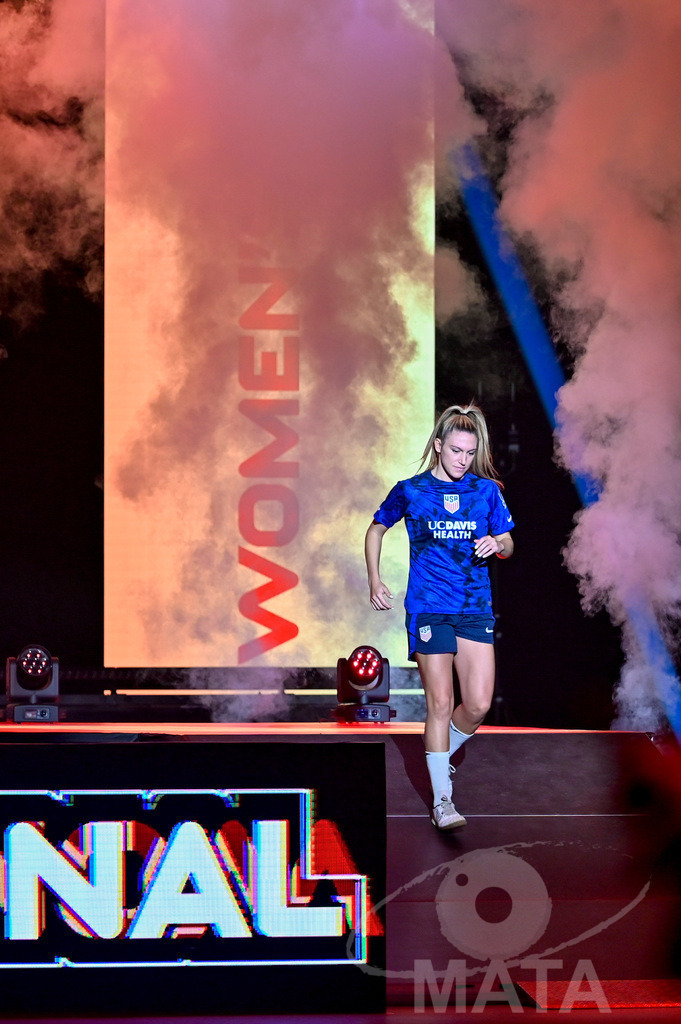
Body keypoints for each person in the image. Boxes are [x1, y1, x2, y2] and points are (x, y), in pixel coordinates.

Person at [365, 404, 514, 830]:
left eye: (469, 452)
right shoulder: (410, 490)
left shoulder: (486, 492)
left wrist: (496, 544)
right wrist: (374, 580)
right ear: (437, 446)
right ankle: (442, 802)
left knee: (480, 703)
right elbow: (376, 528)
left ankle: (439, 755)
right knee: (441, 702)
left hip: (474, 607)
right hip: (429, 606)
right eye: (455, 451)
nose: (462, 460)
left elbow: (507, 543)